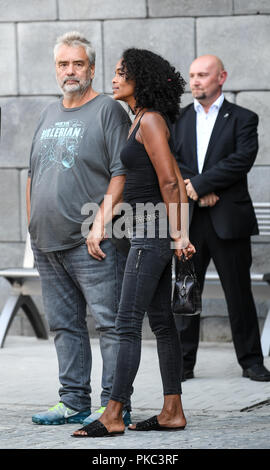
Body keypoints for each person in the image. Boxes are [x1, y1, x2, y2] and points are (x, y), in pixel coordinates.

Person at [73, 48, 196, 438]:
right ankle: (172, 411)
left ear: (139, 80)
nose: (113, 78)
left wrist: (179, 234)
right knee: (161, 323)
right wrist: (102, 222)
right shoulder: (138, 120)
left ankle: (113, 414)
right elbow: (133, 180)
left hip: (153, 233)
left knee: (127, 323)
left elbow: (172, 180)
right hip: (144, 231)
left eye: (121, 72)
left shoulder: (152, 120)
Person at [27, 31, 133, 426]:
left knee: (110, 324)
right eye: (62, 64)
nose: (70, 71)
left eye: (77, 63)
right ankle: (73, 401)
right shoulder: (48, 113)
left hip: (93, 242)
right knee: (64, 325)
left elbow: (121, 174)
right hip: (47, 242)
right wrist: (32, 225)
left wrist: (100, 224)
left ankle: (114, 404)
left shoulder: (107, 110)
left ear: (91, 68)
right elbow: (32, 175)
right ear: (56, 69)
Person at [172, 54, 270, 382]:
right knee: (186, 291)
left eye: (203, 74)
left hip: (228, 219)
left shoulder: (243, 118)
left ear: (221, 77)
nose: (196, 81)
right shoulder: (179, 118)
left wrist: (200, 184)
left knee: (238, 294)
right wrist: (197, 189)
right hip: (191, 222)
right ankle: (183, 364)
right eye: (192, 75)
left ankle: (251, 362)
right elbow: (172, 160)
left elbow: (242, 160)